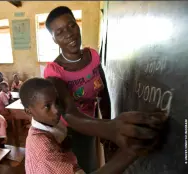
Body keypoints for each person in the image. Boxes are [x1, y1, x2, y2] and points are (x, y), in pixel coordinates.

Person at [43, 6, 168, 172]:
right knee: (80, 167)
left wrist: (107, 122)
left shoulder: (93, 56)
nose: (69, 34)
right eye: (59, 32)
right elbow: (69, 112)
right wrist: (110, 129)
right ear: (54, 39)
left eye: (71, 26)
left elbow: (102, 92)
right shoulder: (54, 71)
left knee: (91, 163)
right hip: (69, 131)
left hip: (92, 122)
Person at [20, 78, 167, 174]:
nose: (57, 109)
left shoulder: (48, 122)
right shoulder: (43, 150)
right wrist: (129, 153)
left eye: (56, 102)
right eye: (47, 106)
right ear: (28, 111)